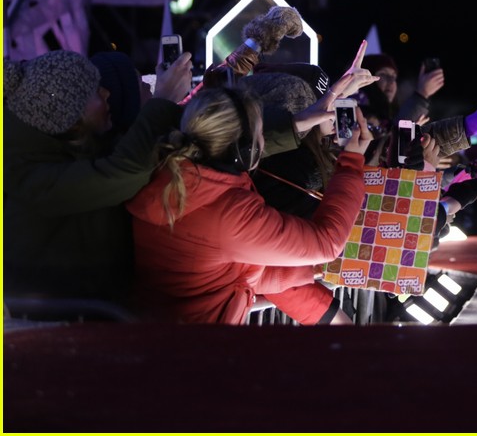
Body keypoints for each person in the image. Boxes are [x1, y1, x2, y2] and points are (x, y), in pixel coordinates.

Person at [125, 85, 379, 324]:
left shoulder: (171, 176)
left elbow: (230, 272)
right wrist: (351, 163)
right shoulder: (228, 212)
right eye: (261, 132)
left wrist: (306, 273)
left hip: (160, 336)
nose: (264, 142)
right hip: (195, 344)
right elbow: (326, 242)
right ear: (245, 150)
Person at [3, 49, 194, 308]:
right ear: (72, 117)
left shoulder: (53, 148)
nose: (106, 93)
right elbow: (124, 171)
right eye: (95, 91)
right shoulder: (25, 176)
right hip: (56, 320)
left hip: (82, 309)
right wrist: (162, 100)